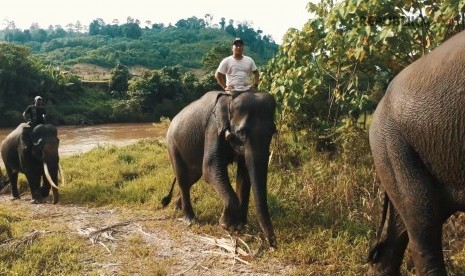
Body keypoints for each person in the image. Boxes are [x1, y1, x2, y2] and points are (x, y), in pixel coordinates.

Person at [215, 38, 260, 140]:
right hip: (232, 90)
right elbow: (217, 75)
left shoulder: (249, 60)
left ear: (243, 47)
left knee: (262, 101)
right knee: (221, 104)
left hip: (247, 89)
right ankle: (226, 129)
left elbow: (256, 72)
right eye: (236, 45)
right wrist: (225, 87)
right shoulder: (227, 61)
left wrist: (255, 84)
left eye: (240, 45)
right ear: (232, 48)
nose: (238, 47)